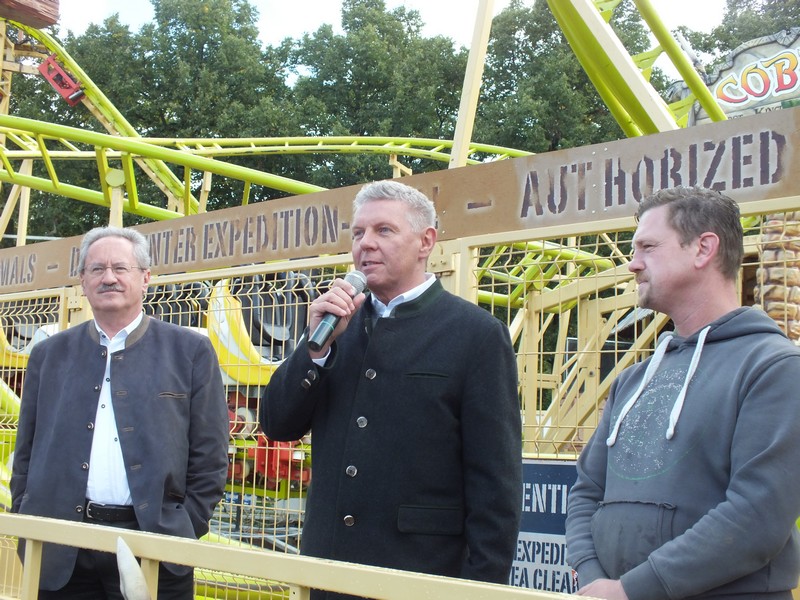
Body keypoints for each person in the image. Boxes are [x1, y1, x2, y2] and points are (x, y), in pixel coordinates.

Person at [261, 180, 522, 596]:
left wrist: (481, 589)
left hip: (420, 576)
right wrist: (314, 351)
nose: (366, 244)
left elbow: (495, 485)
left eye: (384, 231)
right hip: (328, 574)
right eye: (358, 233)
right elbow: (276, 423)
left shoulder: (476, 335)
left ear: (426, 242)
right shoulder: (333, 325)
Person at [565, 186, 800, 600]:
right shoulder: (632, 379)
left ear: (703, 249)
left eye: (648, 247)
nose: (633, 264)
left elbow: (757, 516)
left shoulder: (774, 367)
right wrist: (591, 575)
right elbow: (586, 490)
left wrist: (630, 590)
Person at [11, 226, 230, 599]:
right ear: (82, 280)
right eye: (96, 269)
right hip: (60, 547)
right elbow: (27, 449)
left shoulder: (189, 352)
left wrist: (186, 525)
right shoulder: (49, 355)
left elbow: (210, 454)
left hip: (156, 547)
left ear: (145, 278)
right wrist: (25, 511)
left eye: (120, 268)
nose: (108, 277)